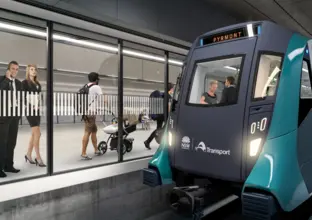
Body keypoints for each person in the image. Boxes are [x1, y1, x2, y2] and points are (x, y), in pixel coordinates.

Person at [0, 61, 22, 178]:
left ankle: (9, 165)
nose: (15, 71)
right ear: (8, 69)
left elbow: (21, 98)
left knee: (11, 142)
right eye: (12, 69)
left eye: (16, 69)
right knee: (2, 143)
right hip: (3, 116)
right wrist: (7, 79)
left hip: (14, 116)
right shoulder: (2, 80)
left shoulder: (18, 83)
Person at [22, 64, 46, 167]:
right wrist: (30, 106)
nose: (34, 71)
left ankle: (28, 154)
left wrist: (39, 106)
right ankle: (38, 157)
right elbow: (22, 97)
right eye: (31, 69)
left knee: (34, 134)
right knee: (37, 133)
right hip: (30, 110)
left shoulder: (37, 84)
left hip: (37, 110)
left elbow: (39, 97)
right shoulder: (25, 83)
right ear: (28, 71)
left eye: (35, 69)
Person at [144, 83, 174, 150]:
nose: (173, 90)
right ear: (171, 89)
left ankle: (148, 141)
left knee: (159, 129)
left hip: (159, 115)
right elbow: (169, 108)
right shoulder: (169, 96)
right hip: (164, 116)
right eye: (172, 88)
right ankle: (162, 143)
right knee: (164, 129)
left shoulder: (163, 94)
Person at [81, 72, 102, 160]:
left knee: (94, 130)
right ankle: (83, 153)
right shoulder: (96, 87)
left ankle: (96, 150)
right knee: (87, 132)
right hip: (91, 113)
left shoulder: (86, 86)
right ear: (96, 79)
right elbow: (103, 98)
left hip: (86, 112)